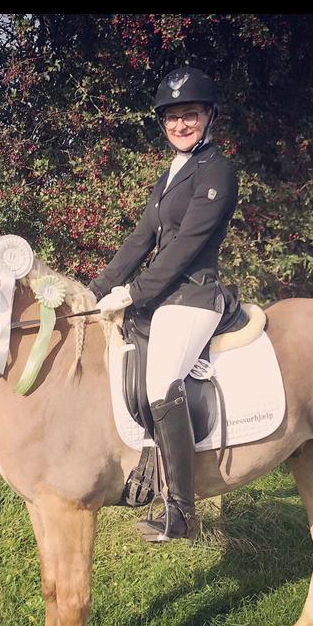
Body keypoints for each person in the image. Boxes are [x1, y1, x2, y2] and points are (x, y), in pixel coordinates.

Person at [88, 67, 239, 541]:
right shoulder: (172, 172)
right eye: (172, 118)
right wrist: (95, 289)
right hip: (162, 297)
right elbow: (142, 238)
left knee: (160, 381)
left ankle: (182, 513)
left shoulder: (217, 171)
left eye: (190, 114)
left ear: (209, 116)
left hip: (194, 295)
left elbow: (187, 245)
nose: (180, 124)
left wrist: (134, 292)